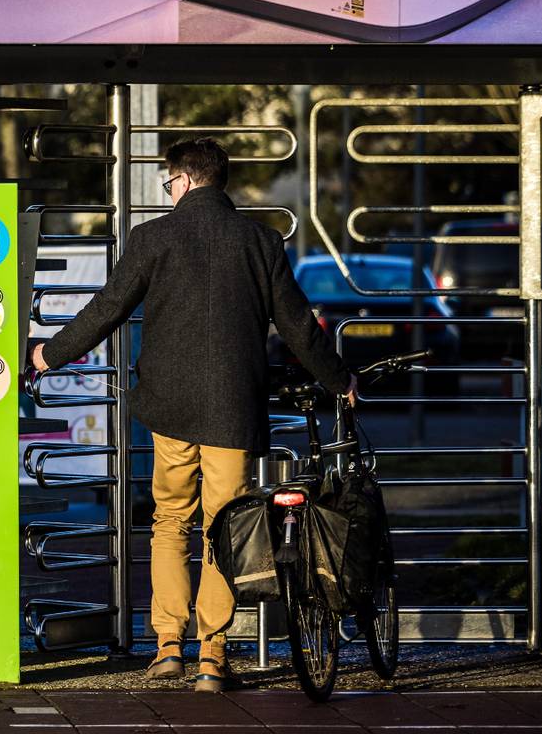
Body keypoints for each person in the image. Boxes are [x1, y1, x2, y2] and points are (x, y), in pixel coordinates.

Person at [31, 137, 357, 693]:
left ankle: (167, 646)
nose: (169, 191)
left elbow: (107, 308)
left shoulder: (152, 237)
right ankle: (213, 655)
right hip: (233, 408)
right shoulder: (260, 241)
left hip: (171, 408)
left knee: (170, 521)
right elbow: (298, 325)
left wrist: (48, 354)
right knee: (225, 526)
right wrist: (338, 379)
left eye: (168, 183)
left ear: (182, 180)